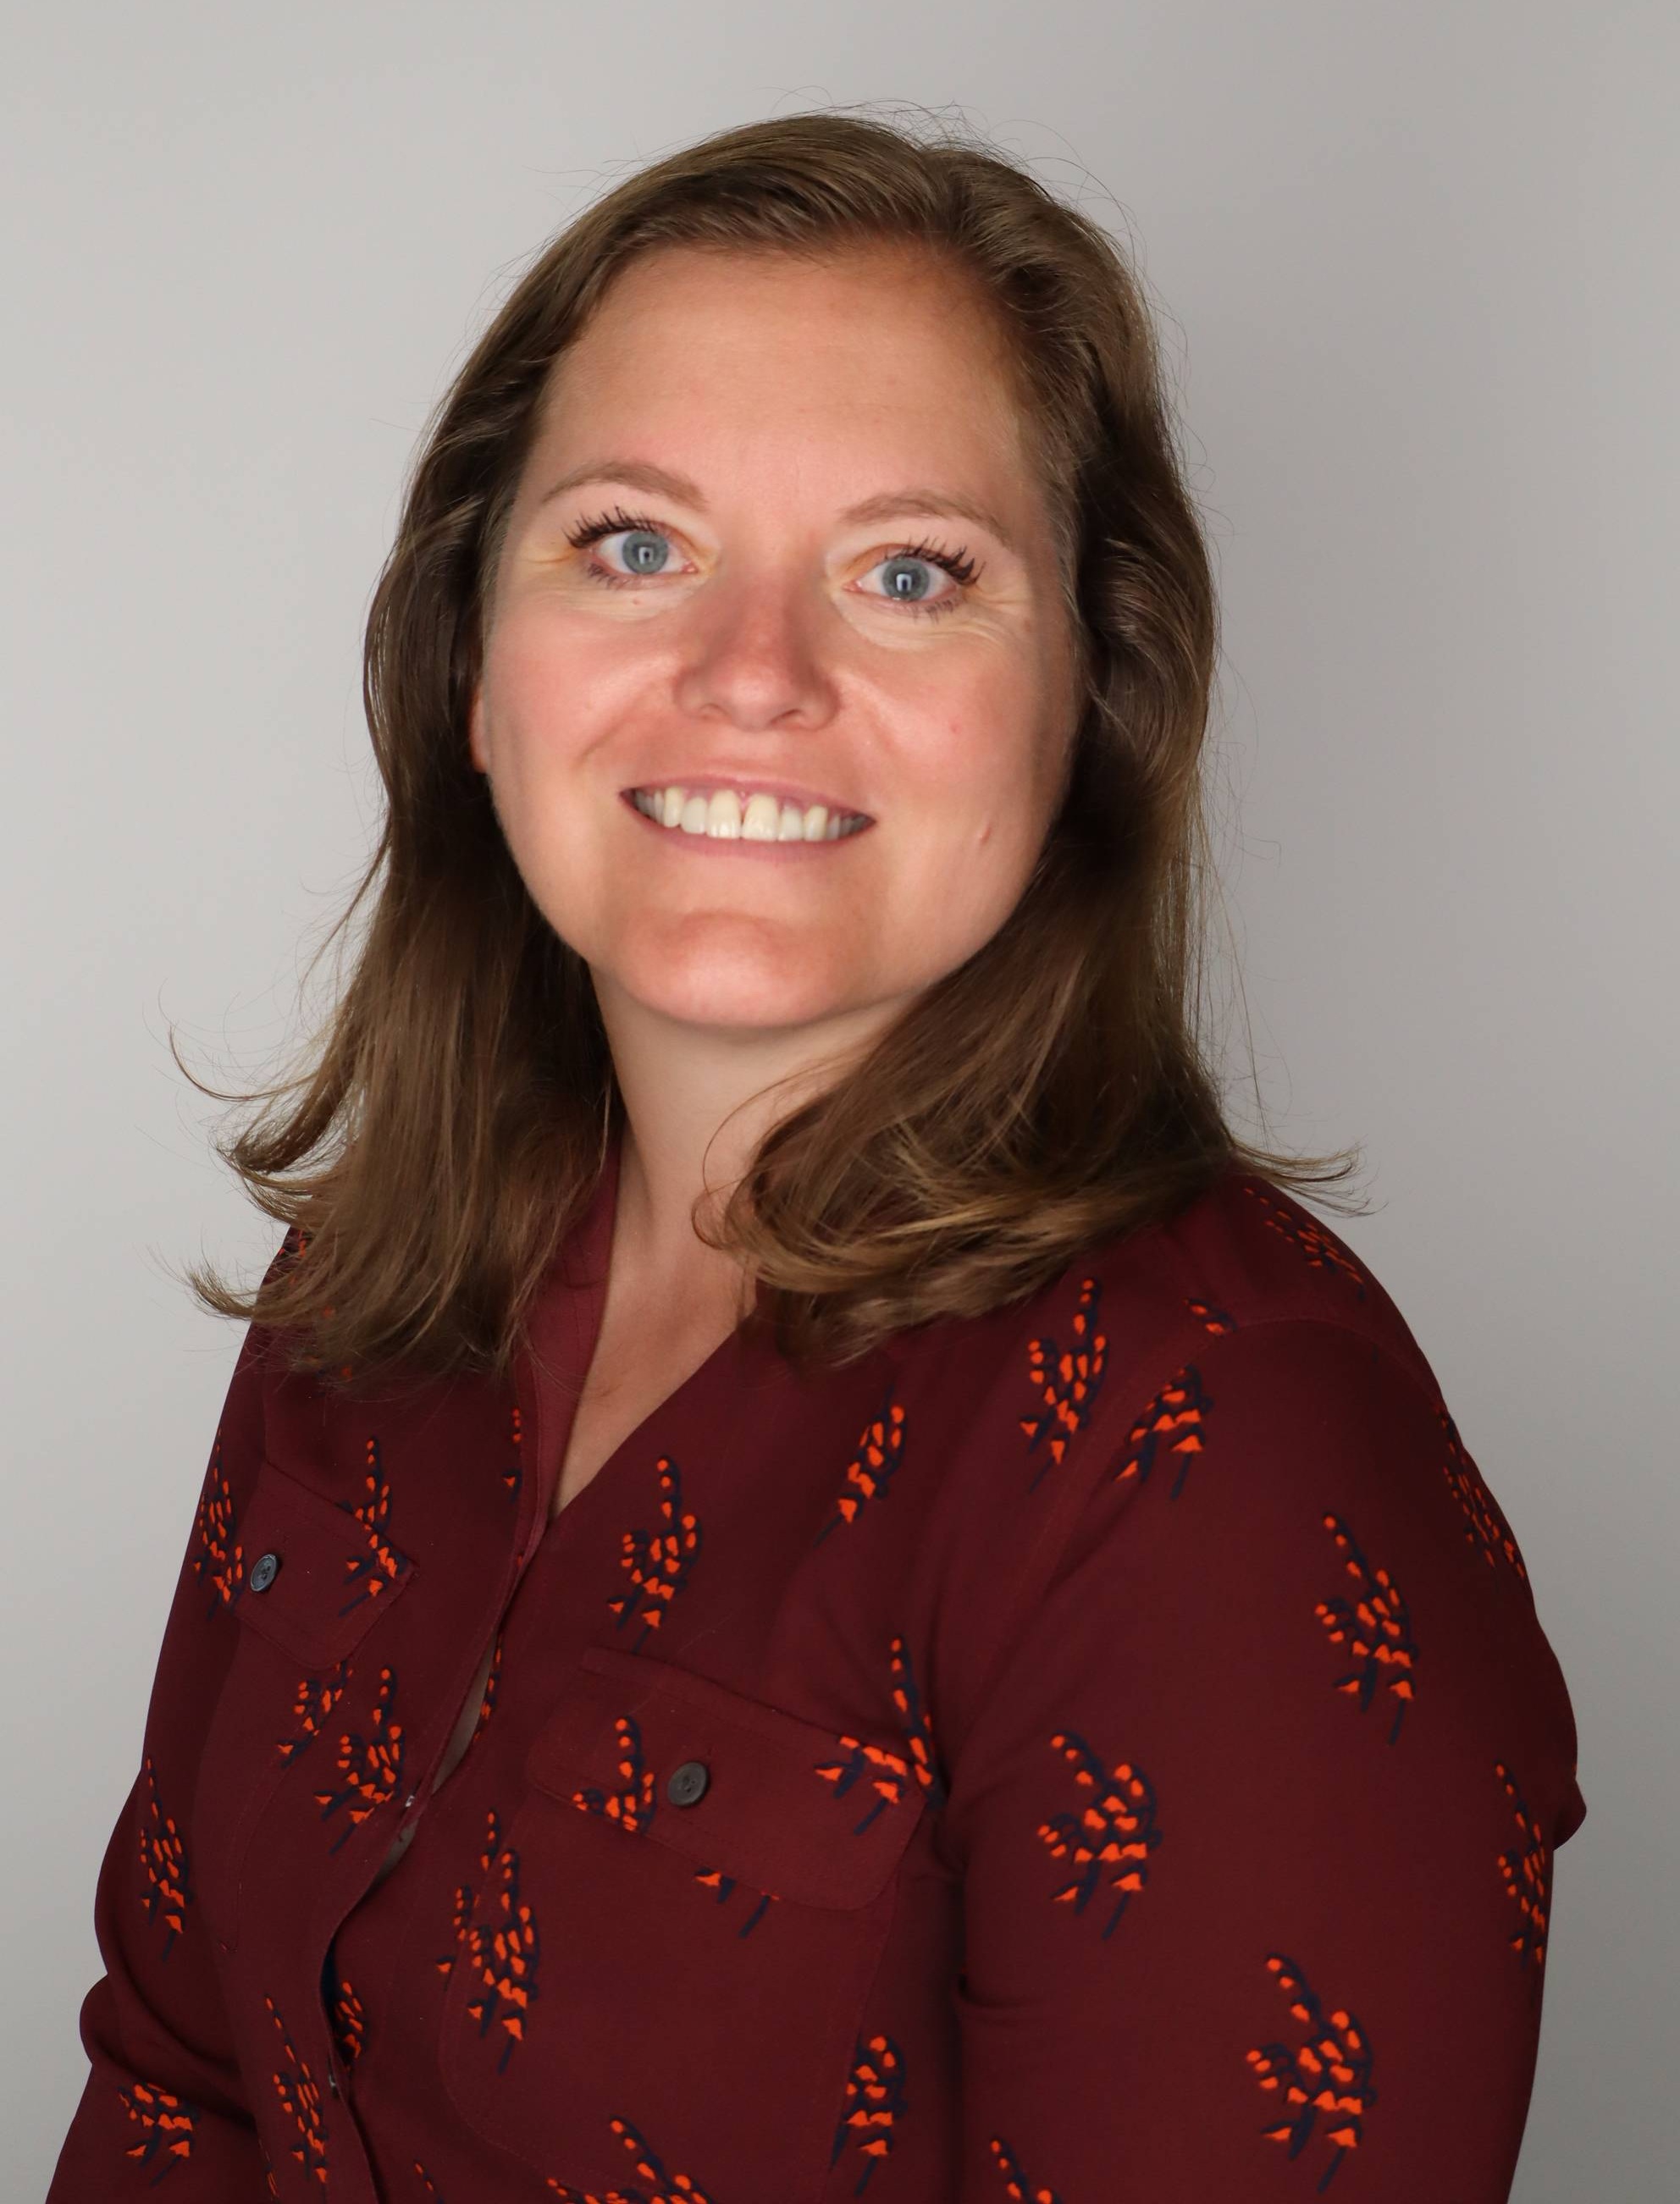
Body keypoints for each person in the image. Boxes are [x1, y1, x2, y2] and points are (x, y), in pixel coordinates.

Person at [47, 108, 1584, 2203]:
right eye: (632, 543)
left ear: (1091, 704)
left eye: (909, 573)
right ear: (472, 670)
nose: (749, 676)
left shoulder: (1219, 1444)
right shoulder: (368, 1306)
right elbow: (178, 2077)